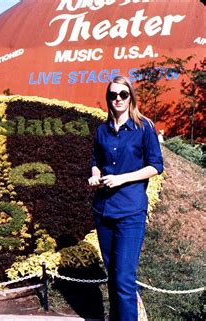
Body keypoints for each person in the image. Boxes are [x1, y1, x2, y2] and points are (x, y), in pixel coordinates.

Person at [88, 76, 163, 320]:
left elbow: (155, 166)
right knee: (112, 276)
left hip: (130, 211)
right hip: (104, 210)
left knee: (124, 280)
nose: (118, 99)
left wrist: (122, 178)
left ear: (131, 96)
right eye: (113, 95)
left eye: (123, 94)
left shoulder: (144, 127)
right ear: (108, 98)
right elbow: (96, 161)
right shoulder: (103, 130)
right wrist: (95, 174)